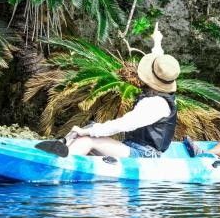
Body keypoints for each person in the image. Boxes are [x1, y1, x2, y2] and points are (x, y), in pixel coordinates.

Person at [66, 25, 180, 159]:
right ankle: (64, 150)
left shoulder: (156, 104)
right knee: (87, 131)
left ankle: (57, 169)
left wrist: (90, 132)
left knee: (87, 140)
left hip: (145, 156)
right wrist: (157, 41)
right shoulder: (161, 87)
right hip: (134, 148)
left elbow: (126, 123)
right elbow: (161, 66)